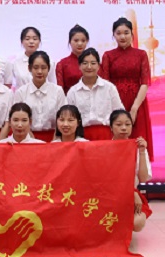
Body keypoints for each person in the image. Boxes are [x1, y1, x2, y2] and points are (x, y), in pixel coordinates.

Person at [101, 17, 155, 161]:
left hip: (137, 102)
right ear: (114, 35)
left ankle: (140, 172)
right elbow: (105, 84)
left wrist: (134, 108)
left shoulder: (141, 54)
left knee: (138, 141)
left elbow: (144, 83)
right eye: (118, 33)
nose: (122, 36)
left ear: (132, 34)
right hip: (114, 102)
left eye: (126, 33)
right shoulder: (108, 56)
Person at [66, 48, 124, 141]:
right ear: (79, 66)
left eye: (93, 63)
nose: (89, 67)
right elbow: (69, 117)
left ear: (98, 66)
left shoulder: (109, 88)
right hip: (81, 137)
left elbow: (119, 113)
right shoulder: (73, 91)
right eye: (85, 63)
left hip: (106, 134)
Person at [109, 109, 152, 232]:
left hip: (130, 194)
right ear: (111, 127)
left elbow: (143, 178)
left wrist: (142, 152)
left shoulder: (137, 147)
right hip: (109, 194)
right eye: (119, 124)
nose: (124, 128)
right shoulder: (105, 148)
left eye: (128, 124)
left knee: (137, 223)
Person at [10, 51, 66, 142]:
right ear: (29, 68)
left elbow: (62, 118)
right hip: (27, 138)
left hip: (54, 138)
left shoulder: (58, 91)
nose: (39, 71)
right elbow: (17, 118)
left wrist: (55, 140)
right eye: (35, 68)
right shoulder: (21, 92)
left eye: (43, 68)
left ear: (49, 68)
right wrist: (32, 140)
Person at [56, 24, 90, 94]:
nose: (80, 43)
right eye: (76, 40)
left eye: (83, 40)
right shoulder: (62, 64)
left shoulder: (93, 63)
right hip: (69, 99)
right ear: (70, 41)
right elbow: (60, 91)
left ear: (87, 41)